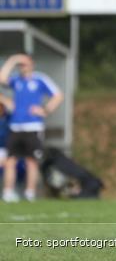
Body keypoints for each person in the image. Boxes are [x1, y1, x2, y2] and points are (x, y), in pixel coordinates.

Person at [0, 54, 63, 202]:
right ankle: (8, 192)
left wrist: (46, 109)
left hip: (33, 127)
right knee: (10, 161)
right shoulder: (16, 80)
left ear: (32, 64)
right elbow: (2, 79)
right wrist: (13, 60)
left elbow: (58, 95)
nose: (22, 67)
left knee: (31, 161)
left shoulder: (40, 79)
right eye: (20, 65)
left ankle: (30, 193)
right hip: (15, 127)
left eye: (24, 64)